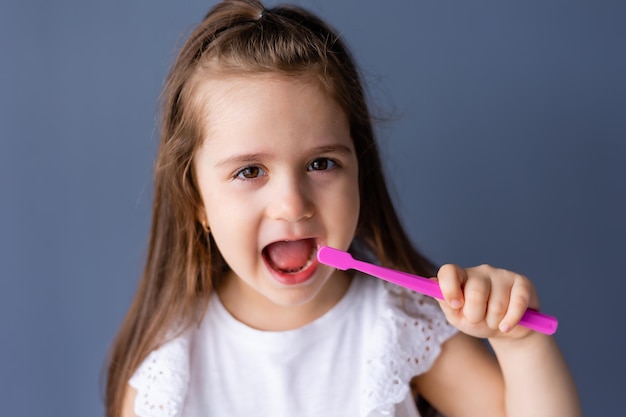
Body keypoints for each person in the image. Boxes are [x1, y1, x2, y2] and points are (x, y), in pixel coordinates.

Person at [105, 1, 582, 416]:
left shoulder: (398, 327)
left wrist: (519, 343)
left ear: (360, 172)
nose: (292, 204)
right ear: (197, 203)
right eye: (250, 171)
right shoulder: (168, 368)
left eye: (321, 163)